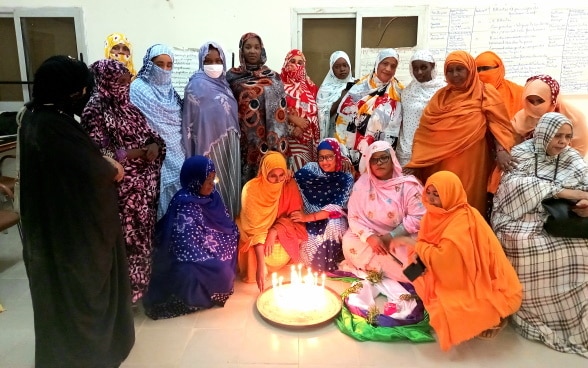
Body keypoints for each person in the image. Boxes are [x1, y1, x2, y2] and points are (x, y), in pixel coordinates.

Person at [19, 55, 134, 367]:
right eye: (80, 90)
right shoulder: (52, 126)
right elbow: (89, 170)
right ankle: (91, 355)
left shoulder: (38, 117)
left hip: (55, 228)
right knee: (82, 295)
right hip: (73, 235)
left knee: (63, 296)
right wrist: (109, 168)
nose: (84, 96)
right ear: (66, 91)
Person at [492, 112, 588, 358]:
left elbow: (585, 183)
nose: (563, 142)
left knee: (578, 250)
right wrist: (561, 192)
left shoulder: (571, 157)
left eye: (568, 136)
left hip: (561, 220)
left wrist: (584, 201)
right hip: (520, 218)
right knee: (528, 245)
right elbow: (511, 187)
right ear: (544, 133)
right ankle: (536, 313)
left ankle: (574, 315)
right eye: (558, 136)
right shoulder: (523, 153)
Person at [407, 170, 522, 351]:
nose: (430, 198)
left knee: (457, 305)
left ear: (451, 195)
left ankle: (492, 319)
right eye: (428, 192)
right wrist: (417, 251)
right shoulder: (433, 214)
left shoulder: (462, 219)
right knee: (412, 267)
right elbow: (425, 242)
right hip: (449, 269)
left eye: (437, 194)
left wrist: (415, 247)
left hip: (472, 278)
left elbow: (445, 258)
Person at [82, 59, 165, 304]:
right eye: (119, 82)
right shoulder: (94, 110)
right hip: (121, 195)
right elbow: (101, 154)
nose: (124, 86)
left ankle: (140, 289)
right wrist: (138, 153)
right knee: (124, 243)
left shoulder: (129, 108)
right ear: (105, 81)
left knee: (142, 240)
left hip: (143, 195)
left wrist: (153, 145)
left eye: (126, 81)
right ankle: (122, 295)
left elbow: (155, 136)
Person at [405, 50, 516, 217]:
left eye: (460, 69)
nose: (455, 75)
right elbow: (425, 131)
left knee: (466, 201)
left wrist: (502, 150)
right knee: (440, 198)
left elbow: (499, 124)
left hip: (471, 161)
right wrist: (418, 160)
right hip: (440, 162)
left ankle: (465, 237)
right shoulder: (440, 96)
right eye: (450, 70)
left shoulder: (486, 92)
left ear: (470, 70)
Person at [143, 155, 239, 320]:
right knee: (217, 271)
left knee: (234, 240)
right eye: (207, 181)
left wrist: (227, 237)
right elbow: (186, 246)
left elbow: (224, 223)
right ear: (195, 181)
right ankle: (196, 300)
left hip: (210, 242)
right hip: (188, 256)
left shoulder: (212, 196)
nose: (211, 185)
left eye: (213, 179)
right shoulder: (184, 204)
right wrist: (211, 258)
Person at [341, 141, 425, 282]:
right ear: (369, 163)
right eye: (374, 159)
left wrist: (391, 236)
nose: (379, 163)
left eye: (383, 158)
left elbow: (419, 217)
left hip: (401, 237)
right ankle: (392, 272)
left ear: (392, 159)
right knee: (349, 242)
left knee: (417, 264)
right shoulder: (362, 184)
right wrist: (369, 237)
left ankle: (398, 272)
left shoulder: (408, 186)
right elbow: (354, 217)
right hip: (371, 238)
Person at [183, 41, 240, 218]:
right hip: (208, 147)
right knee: (210, 186)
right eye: (208, 60)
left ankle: (228, 225)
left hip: (230, 146)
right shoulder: (194, 86)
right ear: (201, 61)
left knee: (229, 188)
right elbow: (188, 122)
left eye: (218, 60)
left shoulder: (226, 85)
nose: (214, 65)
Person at [236, 151, 307, 292]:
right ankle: (259, 268)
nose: (278, 180)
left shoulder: (288, 184)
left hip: (278, 231)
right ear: (264, 173)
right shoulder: (251, 190)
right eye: (273, 176)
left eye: (281, 175)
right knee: (248, 238)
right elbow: (255, 230)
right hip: (256, 231)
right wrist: (261, 265)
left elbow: (296, 218)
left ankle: (274, 265)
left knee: (296, 235)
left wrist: (275, 231)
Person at [226, 32, 289, 185]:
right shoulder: (232, 77)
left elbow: (282, 110)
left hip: (273, 141)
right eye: (248, 47)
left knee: (272, 178)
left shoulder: (274, 77)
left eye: (256, 47)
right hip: (246, 140)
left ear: (262, 50)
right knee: (248, 183)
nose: (252, 51)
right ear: (241, 50)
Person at [131, 44, 184, 220]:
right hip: (151, 157)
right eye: (159, 64)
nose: (164, 69)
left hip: (177, 153)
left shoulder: (171, 92)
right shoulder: (136, 89)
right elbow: (134, 125)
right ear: (149, 64)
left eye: (169, 65)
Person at [334, 48, 403, 172]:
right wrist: (344, 155)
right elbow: (343, 121)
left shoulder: (398, 92)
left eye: (393, 66)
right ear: (377, 63)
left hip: (380, 161)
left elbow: (396, 130)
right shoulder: (359, 88)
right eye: (385, 63)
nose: (388, 69)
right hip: (352, 155)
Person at [292, 138, 354, 272]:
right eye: (321, 158)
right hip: (308, 216)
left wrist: (306, 218)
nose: (325, 162)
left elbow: (336, 208)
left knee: (334, 224)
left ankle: (326, 266)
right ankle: (312, 267)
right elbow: (293, 182)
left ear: (337, 156)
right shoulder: (310, 169)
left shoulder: (345, 177)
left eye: (329, 157)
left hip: (332, 218)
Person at [396, 50, 446, 167]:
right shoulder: (407, 91)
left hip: (431, 150)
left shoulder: (443, 90)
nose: (419, 72)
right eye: (415, 68)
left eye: (424, 67)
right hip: (405, 150)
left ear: (432, 66)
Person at [281, 49, 320, 171]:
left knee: (306, 179)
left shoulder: (311, 87)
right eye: (292, 61)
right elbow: (273, 111)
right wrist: (292, 120)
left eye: (300, 62)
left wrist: (304, 124)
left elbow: (316, 113)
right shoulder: (278, 85)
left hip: (308, 142)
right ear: (286, 62)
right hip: (287, 141)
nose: (296, 65)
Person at [317, 51, 355, 140]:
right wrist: (343, 96)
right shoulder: (325, 89)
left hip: (352, 136)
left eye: (345, 65)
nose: (342, 69)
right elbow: (323, 116)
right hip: (333, 136)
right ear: (331, 69)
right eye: (337, 67)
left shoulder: (357, 85)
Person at [475, 50, 524, 119]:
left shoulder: (519, 92)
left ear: (499, 68)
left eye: (485, 68)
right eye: (477, 70)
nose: (481, 73)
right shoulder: (469, 94)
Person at [511, 74, 560, 142]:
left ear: (552, 100)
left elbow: (577, 148)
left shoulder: (569, 118)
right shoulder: (519, 120)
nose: (535, 105)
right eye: (531, 101)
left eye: (540, 101)